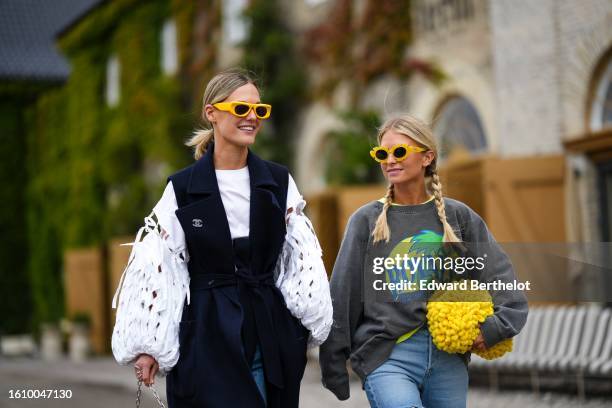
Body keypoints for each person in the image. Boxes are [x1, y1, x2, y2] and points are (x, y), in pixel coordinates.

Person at [111, 68, 333, 408]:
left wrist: (302, 325)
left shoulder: (278, 181)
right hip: (206, 335)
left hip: (267, 332)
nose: (252, 117)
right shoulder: (182, 188)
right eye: (241, 109)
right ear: (211, 113)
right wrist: (148, 345)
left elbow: (301, 259)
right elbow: (159, 266)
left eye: (260, 110)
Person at [319, 114, 528, 408]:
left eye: (399, 152)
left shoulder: (459, 217)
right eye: (382, 153)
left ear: (427, 157)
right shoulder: (365, 221)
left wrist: (495, 327)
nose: (389, 160)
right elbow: (342, 295)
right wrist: (333, 363)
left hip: (449, 359)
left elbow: (500, 276)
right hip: (387, 357)